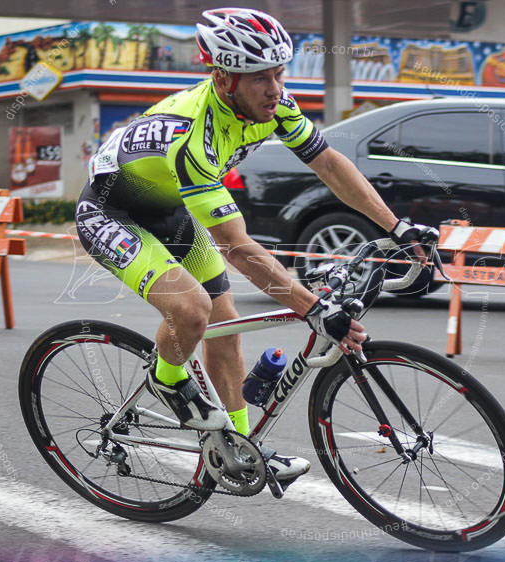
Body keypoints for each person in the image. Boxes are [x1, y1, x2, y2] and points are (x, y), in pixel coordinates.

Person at [76, 7, 436, 487]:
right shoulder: (190, 132)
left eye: (278, 73)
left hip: (170, 212)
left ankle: (239, 450)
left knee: (225, 325)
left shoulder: (275, 105)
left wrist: (398, 228)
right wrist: (312, 308)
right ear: (225, 80)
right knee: (193, 311)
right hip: (111, 212)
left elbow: (328, 164)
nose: (275, 88)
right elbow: (237, 247)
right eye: (259, 77)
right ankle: (166, 378)